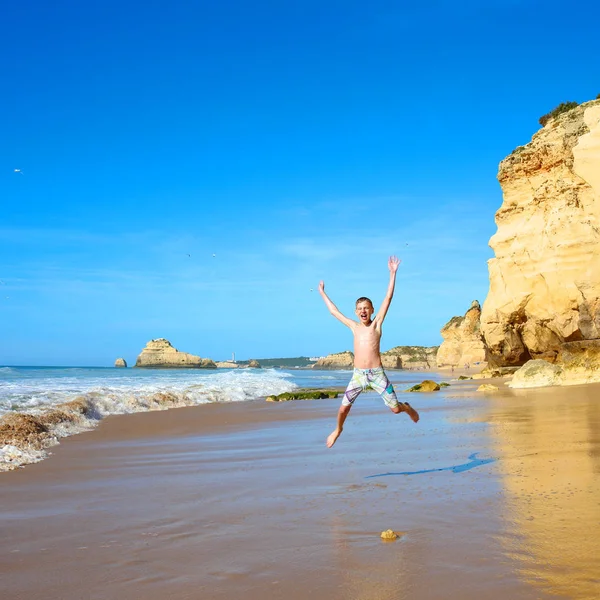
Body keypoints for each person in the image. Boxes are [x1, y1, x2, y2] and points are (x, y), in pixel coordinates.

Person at [318, 256, 420, 448]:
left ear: (372, 310)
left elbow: (388, 298)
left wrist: (392, 273)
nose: (363, 311)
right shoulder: (354, 327)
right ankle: (338, 429)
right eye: (359, 308)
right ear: (356, 312)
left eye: (366, 308)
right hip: (358, 375)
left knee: (396, 410)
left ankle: (407, 407)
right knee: (342, 409)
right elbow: (334, 312)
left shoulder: (377, 325)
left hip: (377, 374)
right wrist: (322, 293)